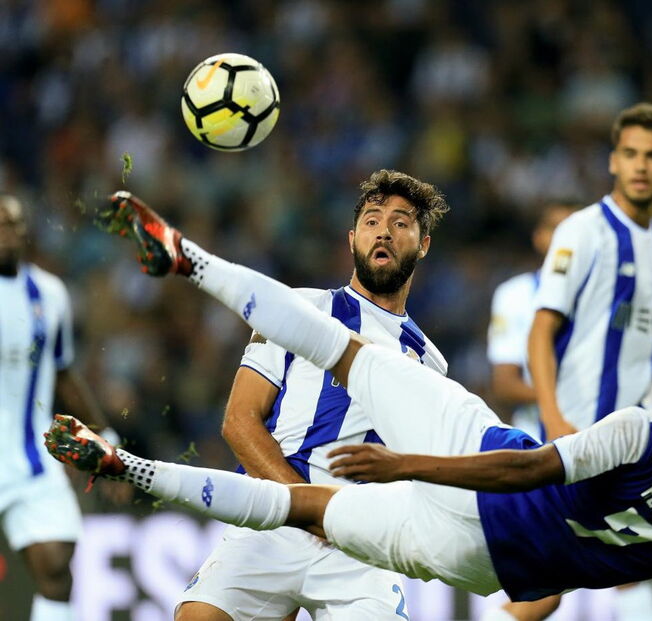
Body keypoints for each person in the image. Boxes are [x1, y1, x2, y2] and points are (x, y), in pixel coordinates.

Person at [48, 192, 652, 621]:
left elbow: (526, 467)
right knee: (306, 499)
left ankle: (187, 263)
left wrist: (406, 462)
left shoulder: (642, 434)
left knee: (343, 362)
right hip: (480, 559)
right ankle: (126, 461)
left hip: (458, 470)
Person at [178, 170, 450, 621]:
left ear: (422, 245)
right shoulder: (297, 308)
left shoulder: (431, 364)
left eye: (400, 223)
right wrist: (306, 506)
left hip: (360, 544)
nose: (383, 231)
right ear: (352, 240)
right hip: (276, 512)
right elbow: (239, 421)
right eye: (372, 220)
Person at [501, 102, 652, 621]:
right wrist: (555, 420)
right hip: (579, 433)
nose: (641, 165)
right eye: (630, 153)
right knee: (558, 583)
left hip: (639, 438)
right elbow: (540, 333)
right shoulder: (582, 231)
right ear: (613, 161)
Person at [0, 195, 119, 621]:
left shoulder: (49, 294)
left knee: (55, 565)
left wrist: (105, 434)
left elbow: (63, 372)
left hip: (28, 458)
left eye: (13, 224)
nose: (6, 233)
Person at [486, 203, 575, 442]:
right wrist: (572, 400)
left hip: (600, 436)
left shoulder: (605, 296)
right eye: (557, 229)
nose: (566, 239)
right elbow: (505, 384)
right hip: (535, 437)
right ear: (539, 237)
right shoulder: (515, 294)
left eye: (574, 230)